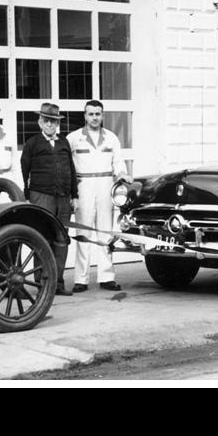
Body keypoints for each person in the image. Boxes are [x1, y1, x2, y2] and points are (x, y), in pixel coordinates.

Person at [67, 100, 129, 292]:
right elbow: (67, 165)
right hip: (83, 186)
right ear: (84, 116)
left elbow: (118, 162)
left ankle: (107, 276)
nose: (94, 117)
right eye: (91, 114)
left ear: (102, 115)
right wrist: (71, 193)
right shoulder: (73, 138)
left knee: (105, 233)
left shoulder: (111, 138)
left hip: (105, 185)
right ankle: (81, 279)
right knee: (83, 233)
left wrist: (122, 174)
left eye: (98, 114)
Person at [19, 102, 76, 297]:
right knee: (42, 238)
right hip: (41, 196)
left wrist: (74, 196)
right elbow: (23, 171)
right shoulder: (32, 143)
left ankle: (58, 283)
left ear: (57, 123)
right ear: (40, 122)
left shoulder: (64, 142)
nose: (50, 124)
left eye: (53, 121)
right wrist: (27, 197)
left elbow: (71, 168)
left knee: (62, 239)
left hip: (63, 198)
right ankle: (42, 283)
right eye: (46, 120)